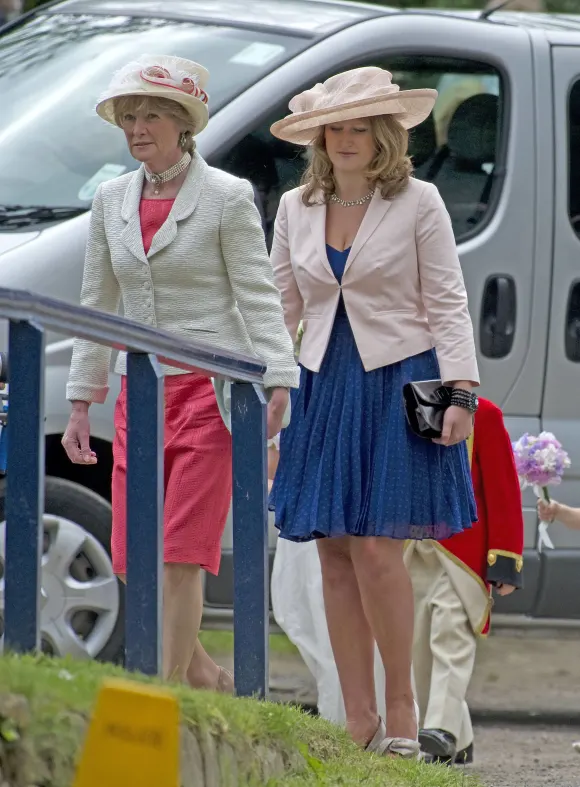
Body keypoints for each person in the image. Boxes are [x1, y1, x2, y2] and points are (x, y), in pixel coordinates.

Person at [62, 54, 298, 690]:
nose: (137, 129)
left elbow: (257, 293)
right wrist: (82, 399)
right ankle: (206, 677)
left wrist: (278, 377)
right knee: (131, 556)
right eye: (128, 118)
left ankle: (160, 695)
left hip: (209, 393)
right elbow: (97, 301)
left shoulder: (227, 195)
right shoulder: (110, 198)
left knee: (181, 553)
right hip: (139, 392)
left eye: (151, 116)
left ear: (183, 123)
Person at [268, 66, 480, 758]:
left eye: (361, 127)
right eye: (335, 127)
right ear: (320, 137)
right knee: (332, 548)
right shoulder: (295, 206)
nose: (347, 138)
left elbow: (447, 299)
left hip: (398, 380)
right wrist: (269, 383)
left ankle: (402, 708)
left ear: (384, 135)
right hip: (322, 383)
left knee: (376, 549)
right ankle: (356, 717)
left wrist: (462, 390)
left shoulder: (419, 201)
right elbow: (280, 307)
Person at [406, 397, 523, 765]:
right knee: (418, 647)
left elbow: (502, 489)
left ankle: (440, 730)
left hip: (464, 554)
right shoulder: (400, 404)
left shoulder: (485, 414)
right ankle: (460, 735)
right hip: (410, 547)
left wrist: (505, 557)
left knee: (451, 634)